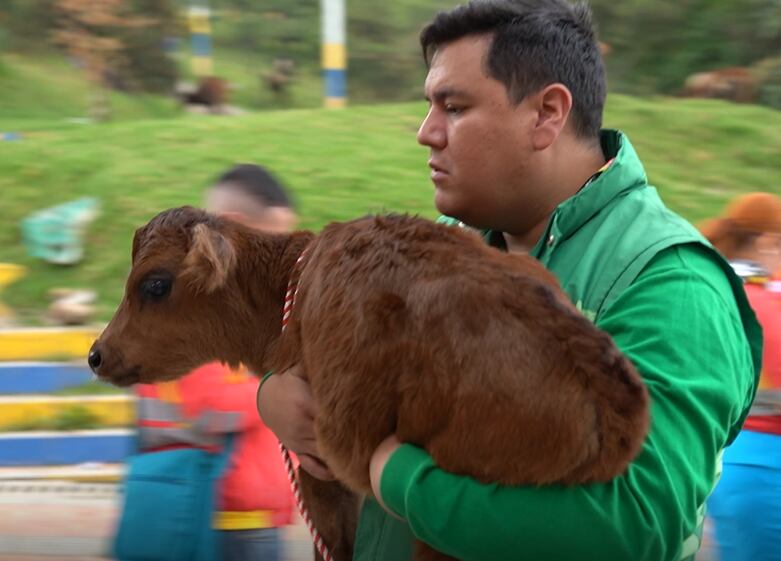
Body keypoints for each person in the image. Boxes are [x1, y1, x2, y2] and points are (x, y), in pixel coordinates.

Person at [256, 1, 762, 560]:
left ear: (547, 114)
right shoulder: (437, 245)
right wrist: (277, 396)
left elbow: (632, 524)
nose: (426, 133)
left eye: (454, 107)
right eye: (429, 107)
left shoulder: (673, 282)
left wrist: (393, 475)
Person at [131, 164, 297, 561]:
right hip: (220, 520)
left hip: (244, 515)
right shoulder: (192, 300)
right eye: (275, 241)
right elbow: (209, 405)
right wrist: (286, 386)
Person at [700, 193, 781, 561]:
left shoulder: (720, 287)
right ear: (767, 242)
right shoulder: (763, 303)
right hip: (766, 472)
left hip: (726, 463)